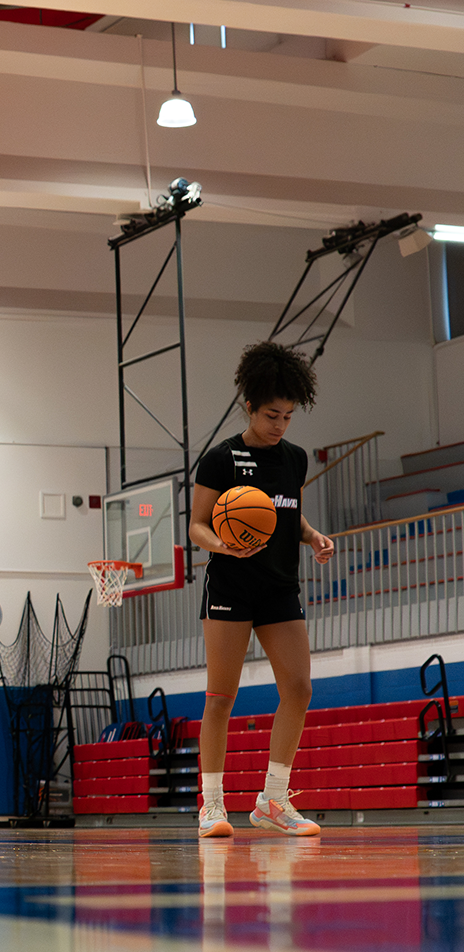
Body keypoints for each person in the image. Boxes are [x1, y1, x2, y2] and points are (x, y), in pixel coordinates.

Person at [190, 341, 334, 839]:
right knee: (220, 697)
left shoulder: (294, 460)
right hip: (230, 586)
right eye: (273, 414)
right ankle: (211, 806)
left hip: (279, 587)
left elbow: (284, 514)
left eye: (289, 416)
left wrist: (311, 535)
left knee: (299, 689)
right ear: (249, 405)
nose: (280, 424)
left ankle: (273, 801)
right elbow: (197, 527)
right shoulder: (219, 460)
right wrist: (224, 546)